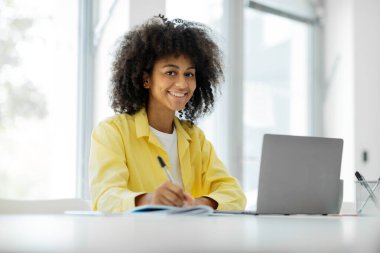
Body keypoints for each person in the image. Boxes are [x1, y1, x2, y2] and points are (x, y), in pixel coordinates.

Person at [89, 15, 246, 212]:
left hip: (188, 239)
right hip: (135, 239)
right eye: (170, 72)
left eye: (189, 74)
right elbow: (105, 198)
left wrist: (197, 203)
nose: (182, 84)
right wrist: (150, 199)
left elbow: (235, 194)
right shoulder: (112, 132)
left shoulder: (194, 137)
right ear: (146, 79)